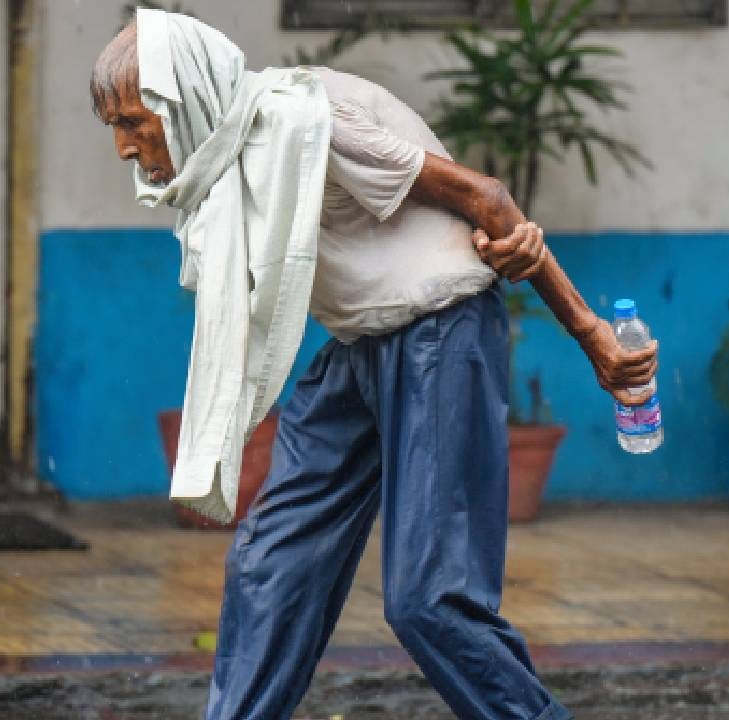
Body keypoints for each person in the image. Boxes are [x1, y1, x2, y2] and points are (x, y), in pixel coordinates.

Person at [90, 11, 657, 720]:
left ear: (185, 99)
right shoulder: (227, 156)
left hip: (439, 336)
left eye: (135, 122)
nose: (122, 147)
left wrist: (591, 333)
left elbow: (487, 198)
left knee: (430, 599)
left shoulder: (304, 120)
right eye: (114, 125)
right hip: (360, 349)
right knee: (270, 568)